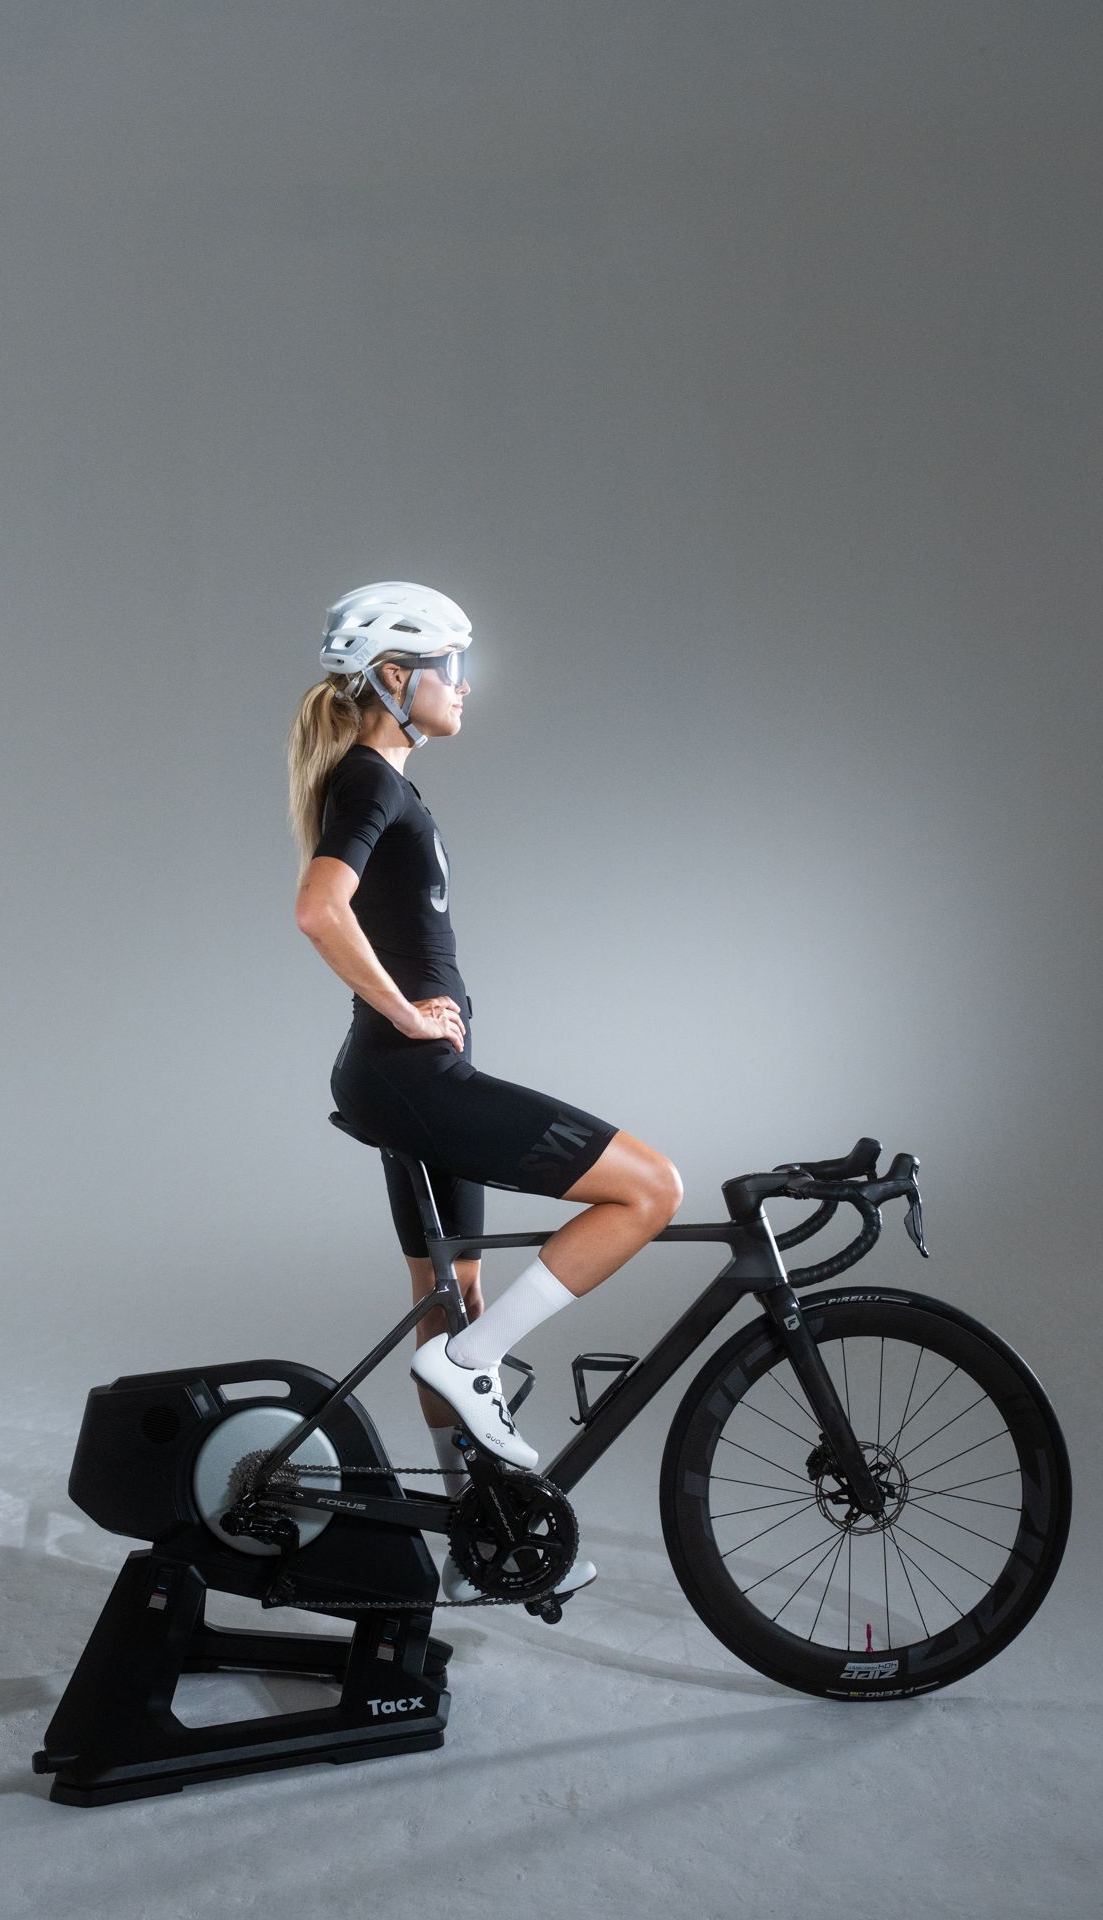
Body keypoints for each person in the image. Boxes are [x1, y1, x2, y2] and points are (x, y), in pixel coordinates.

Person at [286, 581, 682, 1599]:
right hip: (411, 1074)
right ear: (393, 676)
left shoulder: (383, 782)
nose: (463, 685)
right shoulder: (369, 781)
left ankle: (478, 1547)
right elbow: (319, 910)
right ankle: (472, 1370)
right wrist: (408, 1014)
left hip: (395, 1080)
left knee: (450, 1296)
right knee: (650, 1189)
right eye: (449, 666)